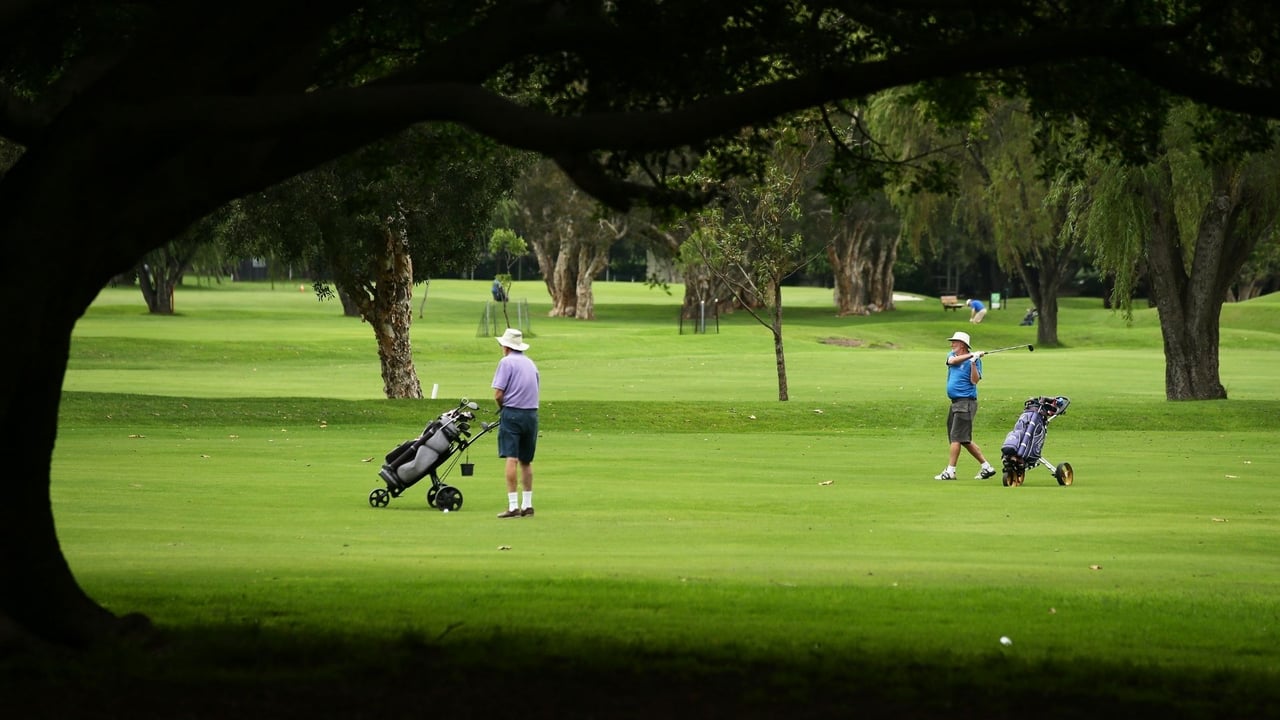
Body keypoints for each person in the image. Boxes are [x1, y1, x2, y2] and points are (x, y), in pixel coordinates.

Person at [935, 331, 997, 481]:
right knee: (962, 438)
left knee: (957, 437)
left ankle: (950, 471)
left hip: (966, 402)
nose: (952, 344)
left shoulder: (974, 360)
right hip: (955, 402)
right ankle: (986, 467)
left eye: (954, 342)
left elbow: (975, 381)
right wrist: (971, 355)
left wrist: (974, 362)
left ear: (962, 344)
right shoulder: (952, 355)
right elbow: (951, 361)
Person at [492, 328, 539, 518]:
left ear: (506, 346)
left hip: (512, 413)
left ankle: (513, 506)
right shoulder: (531, 363)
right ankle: (527, 505)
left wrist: (502, 407)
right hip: (531, 415)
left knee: (511, 458)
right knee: (526, 461)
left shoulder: (506, 362)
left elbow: (498, 393)